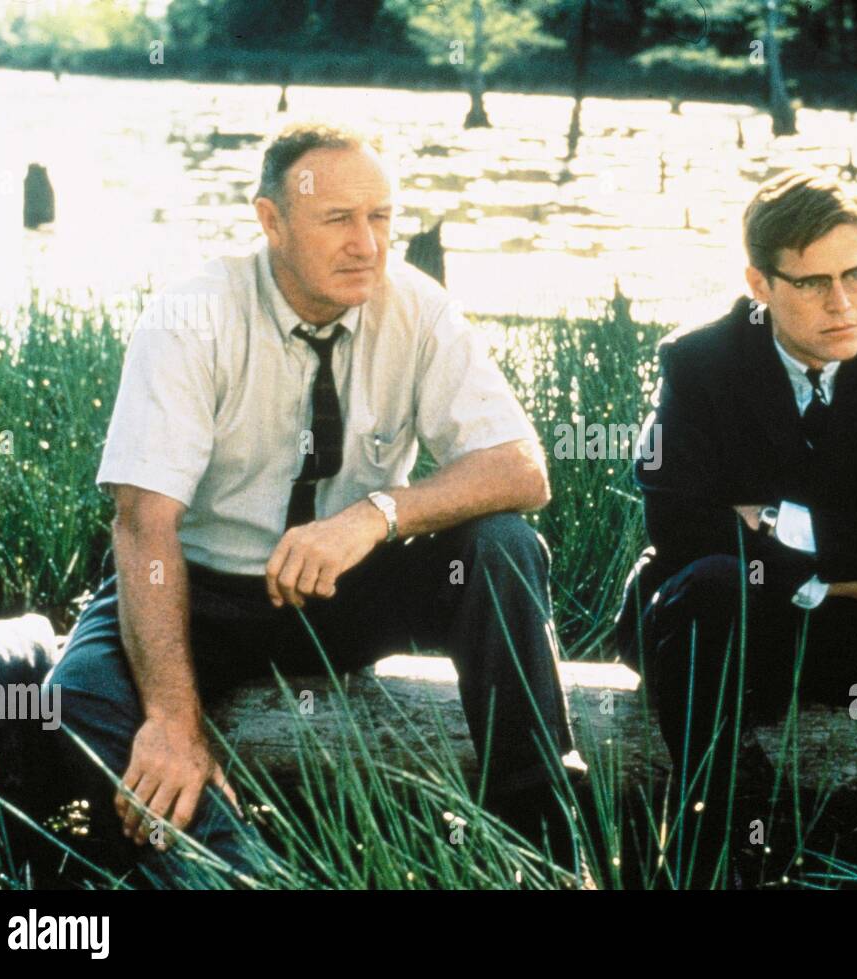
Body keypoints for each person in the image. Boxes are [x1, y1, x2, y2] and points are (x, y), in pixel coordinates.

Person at [43, 122, 587, 887]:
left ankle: (542, 849)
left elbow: (523, 469)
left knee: (503, 545)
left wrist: (375, 515)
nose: (367, 243)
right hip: (202, 594)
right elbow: (144, 525)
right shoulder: (190, 318)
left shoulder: (418, 309)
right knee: (74, 694)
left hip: (348, 587)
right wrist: (171, 715)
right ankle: (236, 871)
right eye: (338, 219)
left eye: (382, 218)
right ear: (271, 221)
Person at [615, 168, 857, 888]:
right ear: (759, 284)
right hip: (731, 629)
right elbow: (678, 521)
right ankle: (709, 857)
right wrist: (838, 575)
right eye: (812, 282)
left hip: (845, 642)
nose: (842, 303)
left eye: (856, 274)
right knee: (711, 583)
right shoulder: (698, 361)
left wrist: (776, 520)